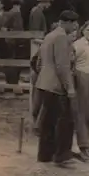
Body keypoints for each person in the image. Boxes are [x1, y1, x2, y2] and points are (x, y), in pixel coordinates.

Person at [35, 10, 79, 167]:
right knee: (64, 120)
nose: (75, 28)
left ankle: (45, 155)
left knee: (48, 121)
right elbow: (62, 66)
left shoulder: (50, 35)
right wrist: (70, 87)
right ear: (66, 22)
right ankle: (62, 156)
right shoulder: (61, 37)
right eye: (73, 24)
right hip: (56, 85)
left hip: (45, 82)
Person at [71, 20, 89, 161]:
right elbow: (71, 62)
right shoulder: (78, 44)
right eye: (88, 30)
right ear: (83, 30)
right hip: (80, 77)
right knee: (81, 111)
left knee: (88, 111)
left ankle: (85, 145)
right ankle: (80, 145)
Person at [5, 0, 25, 85]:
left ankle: (10, 80)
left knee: (10, 60)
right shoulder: (17, 13)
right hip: (15, 40)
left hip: (9, 40)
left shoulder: (9, 12)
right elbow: (18, 28)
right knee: (15, 61)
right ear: (20, 4)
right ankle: (13, 82)